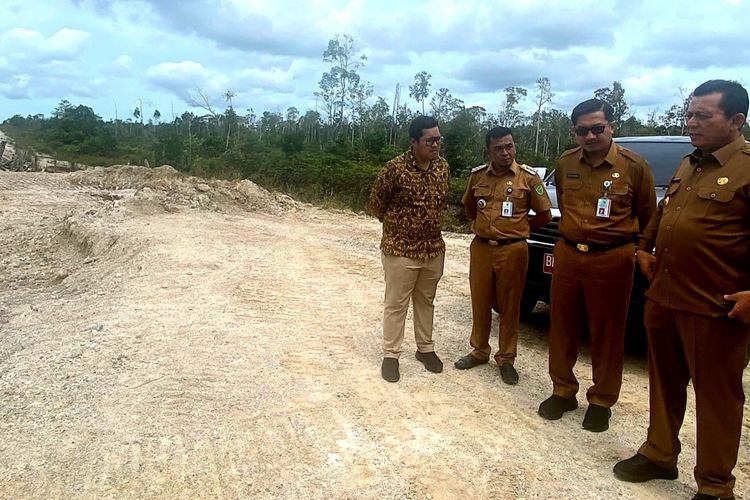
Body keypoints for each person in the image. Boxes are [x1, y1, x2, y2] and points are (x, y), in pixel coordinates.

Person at [613, 79, 750, 500]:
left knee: (718, 399)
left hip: (716, 308)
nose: (691, 122)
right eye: (689, 114)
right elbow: (664, 210)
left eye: (702, 116)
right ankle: (659, 454)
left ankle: (714, 485)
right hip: (666, 297)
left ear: (736, 120)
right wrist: (643, 247)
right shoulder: (690, 163)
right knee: (663, 382)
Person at [537, 99, 656, 432]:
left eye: (596, 128)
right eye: (582, 130)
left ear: (611, 127)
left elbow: (648, 217)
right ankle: (563, 390)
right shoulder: (565, 163)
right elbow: (563, 200)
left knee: (607, 331)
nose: (589, 136)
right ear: (574, 132)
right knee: (562, 325)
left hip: (613, 258)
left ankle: (602, 400)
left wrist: (642, 251)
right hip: (570, 254)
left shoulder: (634, 166)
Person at [454, 126, 552, 385]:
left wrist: (520, 230)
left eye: (509, 146)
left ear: (514, 146)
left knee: (510, 305)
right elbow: (469, 207)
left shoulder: (529, 178)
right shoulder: (477, 176)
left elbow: (545, 214)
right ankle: (479, 350)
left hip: (513, 250)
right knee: (480, 300)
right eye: (498, 148)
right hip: (482, 248)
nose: (505, 152)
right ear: (489, 150)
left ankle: (506, 358)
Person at [368, 116, 450, 383]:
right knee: (396, 303)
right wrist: (399, 229)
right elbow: (376, 204)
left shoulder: (442, 168)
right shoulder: (395, 169)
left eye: (438, 139)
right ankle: (391, 355)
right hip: (400, 250)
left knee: (426, 301)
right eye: (430, 140)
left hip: (433, 250)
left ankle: (425, 349)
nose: (436, 144)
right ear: (414, 142)